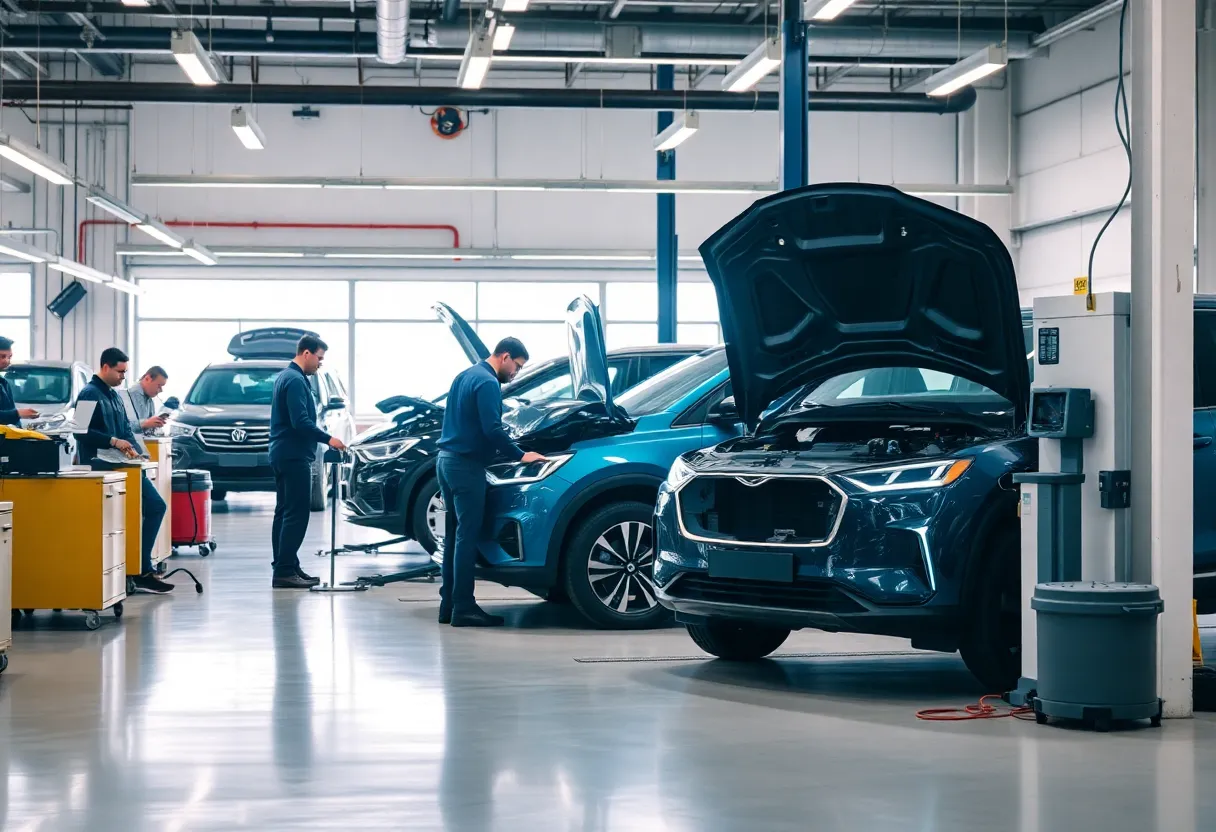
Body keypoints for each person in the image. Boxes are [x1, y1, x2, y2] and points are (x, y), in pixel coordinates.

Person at [437, 337, 547, 627]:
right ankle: (464, 608)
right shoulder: (488, 382)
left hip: (445, 461)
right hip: (466, 466)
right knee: (466, 537)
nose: (516, 374)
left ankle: (448, 606)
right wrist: (521, 455)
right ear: (505, 356)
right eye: (517, 367)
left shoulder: (465, 375)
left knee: (454, 536)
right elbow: (493, 430)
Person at [77, 347, 173, 594]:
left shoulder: (115, 396)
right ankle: (139, 570)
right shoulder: (88, 394)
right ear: (105, 367)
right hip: (99, 465)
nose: (123, 377)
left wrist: (136, 450)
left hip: (123, 464)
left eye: (125, 372)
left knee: (155, 506)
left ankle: (142, 568)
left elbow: (125, 430)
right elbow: (79, 431)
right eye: (119, 372)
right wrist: (112, 441)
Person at [269, 334, 346, 589]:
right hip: (293, 455)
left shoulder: (287, 376)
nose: (320, 364)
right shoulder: (294, 380)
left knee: (284, 512)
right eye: (319, 358)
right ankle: (284, 570)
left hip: (282, 453)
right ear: (306, 353)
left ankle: (287, 565)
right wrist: (329, 439)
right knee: (296, 514)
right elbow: (300, 422)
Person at [0, 336, 39, 426]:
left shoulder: (3, 382)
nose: (6, 361)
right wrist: (17, 413)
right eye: (2, 356)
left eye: (9, 357)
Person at [120, 366, 169, 436]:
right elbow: (120, 428)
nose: (161, 390)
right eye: (159, 386)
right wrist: (145, 424)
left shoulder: (150, 400)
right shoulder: (123, 396)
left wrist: (155, 423)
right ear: (147, 378)